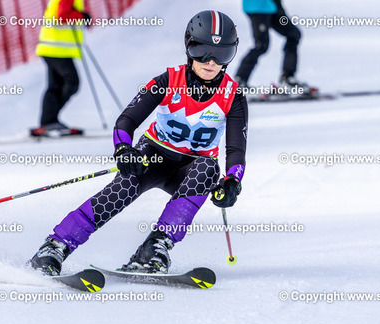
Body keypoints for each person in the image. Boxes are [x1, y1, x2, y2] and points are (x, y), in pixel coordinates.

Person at [29, 10, 248, 275]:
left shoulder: (233, 96)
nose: (211, 62)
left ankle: (154, 248)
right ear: (188, 47)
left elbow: (236, 149)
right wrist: (124, 149)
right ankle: (55, 247)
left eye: (222, 54)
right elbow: (127, 120)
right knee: (123, 188)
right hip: (153, 156)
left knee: (209, 168)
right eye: (201, 51)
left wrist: (233, 182)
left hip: (192, 171)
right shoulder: (168, 81)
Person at [30, 0, 91, 137]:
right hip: (57, 49)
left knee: (55, 86)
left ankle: (48, 121)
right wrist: (81, 16)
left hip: (52, 48)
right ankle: (49, 121)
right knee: (72, 83)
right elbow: (62, 16)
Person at [235, 0, 309, 91]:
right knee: (261, 45)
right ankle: (240, 81)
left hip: (272, 6)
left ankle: (287, 78)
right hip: (258, 7)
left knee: (293, 35)